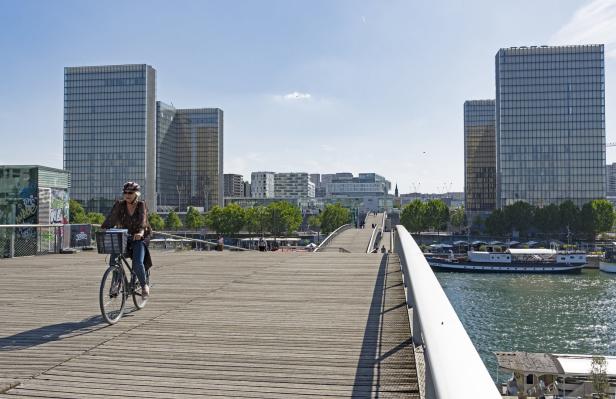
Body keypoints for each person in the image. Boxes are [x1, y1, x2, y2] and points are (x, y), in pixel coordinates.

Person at [102, 181, 153, 297]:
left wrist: (140, 231)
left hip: (140, 236)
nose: (127, 195)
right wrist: (104, 228)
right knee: (113, 260)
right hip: (124, 236)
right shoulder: (119, 205)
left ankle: (144, 285)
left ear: (137, 194)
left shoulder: (141, 205)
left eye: (130, 192)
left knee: (137, 262)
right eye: (125, 192)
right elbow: (111, 218)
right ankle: (116, 284)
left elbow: (143, 220)